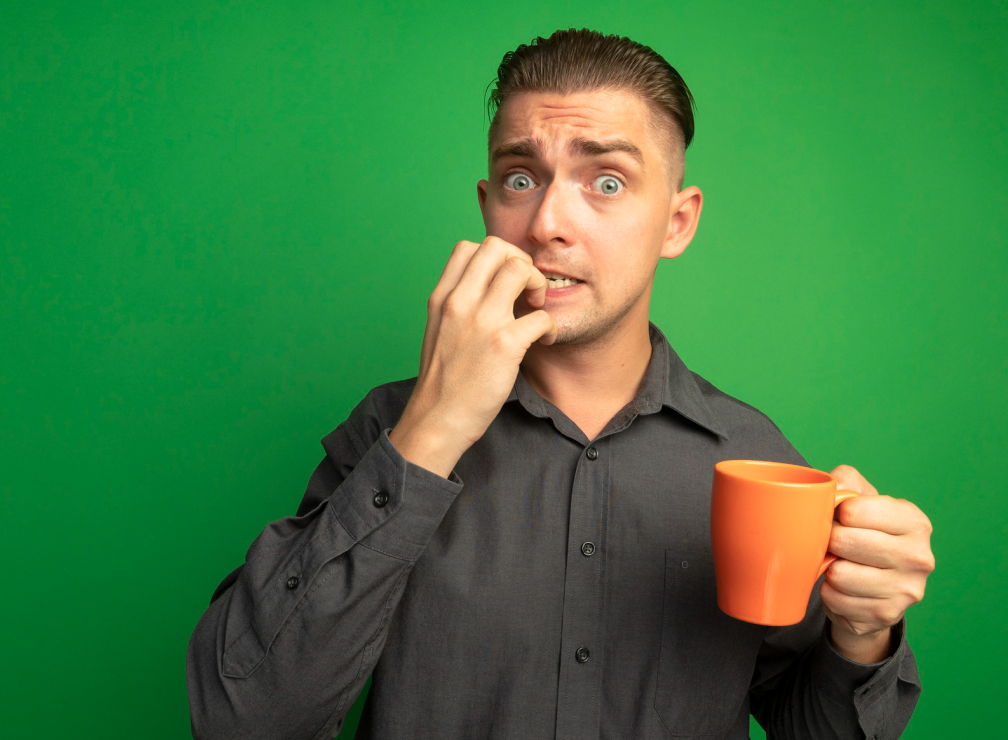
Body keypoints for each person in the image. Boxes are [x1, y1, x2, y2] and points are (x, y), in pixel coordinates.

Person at [187, 28, 935, 740]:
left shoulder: (752, 454)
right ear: (488, 208)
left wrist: (862, 635)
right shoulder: (391, 427)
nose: (547, 222)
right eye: (521, 178)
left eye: (606, 181)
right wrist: (431, 430)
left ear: (676, 224)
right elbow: (246, 721)